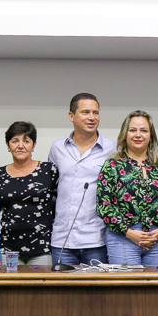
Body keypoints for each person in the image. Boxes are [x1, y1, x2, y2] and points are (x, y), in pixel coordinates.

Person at [47, 93, 115, 266]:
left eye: (96, 112)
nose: (92, 117)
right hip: (62, 239)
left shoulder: (112, 149)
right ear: (71, 116)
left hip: (96, 240)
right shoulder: (58, 148)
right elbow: (52, 188)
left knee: (97, 293)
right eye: (85, 112)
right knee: (62, 293)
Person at [96, 111, 158, 265]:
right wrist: (129, 232)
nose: (138, 135)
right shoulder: (112, 165)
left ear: (151, 135)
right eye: (133, 130)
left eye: (143, 130)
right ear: (125, 134)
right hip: (123, 237)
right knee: (127, 288)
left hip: (156, 237)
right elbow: (103, 206)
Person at [0, 121, 58, 266]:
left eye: (26, 141)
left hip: (42, 249)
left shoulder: (48, 171)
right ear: (8, 145)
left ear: (33, 145)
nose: (20, 146)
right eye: (15, 141)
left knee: (41, 289)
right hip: (8, 249)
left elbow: (62, 204)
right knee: (9, 289)